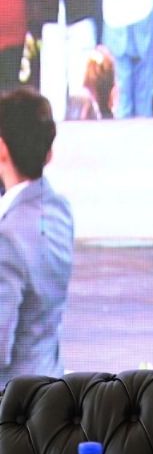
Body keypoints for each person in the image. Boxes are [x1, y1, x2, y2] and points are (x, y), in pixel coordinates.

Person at [0, 88, 74, 390]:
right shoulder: (60, 209)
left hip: (13, 404)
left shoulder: (8, 235)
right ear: (48, 152)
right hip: (51, 387)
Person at [100, 0, 153, 118]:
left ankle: (144, 134)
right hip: (115, 12)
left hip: (142, 6)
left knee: (141, 91)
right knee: (120, 95)